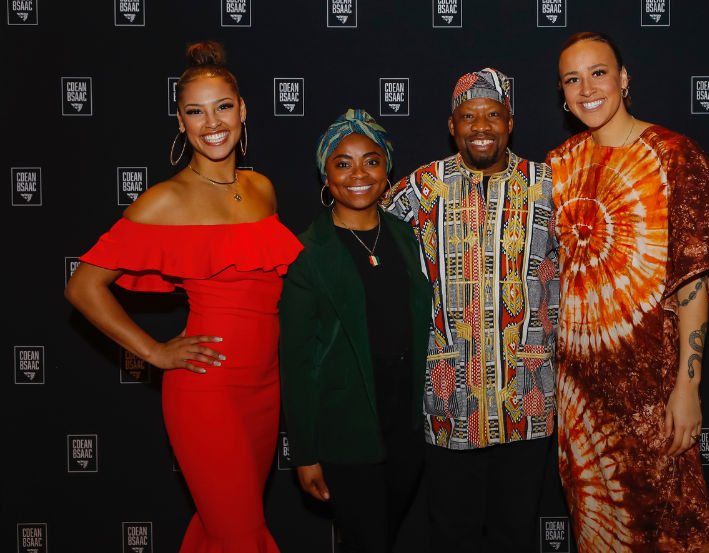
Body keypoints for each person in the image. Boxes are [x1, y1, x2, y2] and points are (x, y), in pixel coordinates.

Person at [64, 41, 301, 552]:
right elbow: (82, 285)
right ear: (180, 121)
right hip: (206, 389)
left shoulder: (262, 188)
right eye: (195, 111)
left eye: (222, 107)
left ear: (243, 112)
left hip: (265, 388)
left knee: (225, 529)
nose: (211, 122)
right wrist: (153, 351)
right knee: (240, 536)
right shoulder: (165, 199)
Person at [541, 32, 709, 552]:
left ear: (624, 79)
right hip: (579, 404)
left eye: (599, 73)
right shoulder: (555, 166)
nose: (587, 88)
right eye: (573, 78)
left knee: (669, 531)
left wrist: (688, 385)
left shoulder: (673, 156)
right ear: (562, 93)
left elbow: (693, 281)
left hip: (653, 393)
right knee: (596, 535)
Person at [382, 69, 556, 552]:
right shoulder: (422, 188)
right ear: (452, 126)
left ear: (510, 122)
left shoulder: (547, 186)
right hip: (449, 403)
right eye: (468, 116)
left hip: (527, 398)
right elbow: (365, 239)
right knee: (451, 534)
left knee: (515, 535)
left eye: (492, 114)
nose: (481, 125)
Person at [279, 109, 433, 553]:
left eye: (371, 160)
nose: (358, 174)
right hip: (345, 427)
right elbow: (297, 360)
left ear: (387, 169)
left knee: (381, 537)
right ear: (325, 176)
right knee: (367, 541)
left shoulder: (408, 238)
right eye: (342, 163)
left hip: (408, 426)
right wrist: (304, 453)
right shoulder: (307, 254)